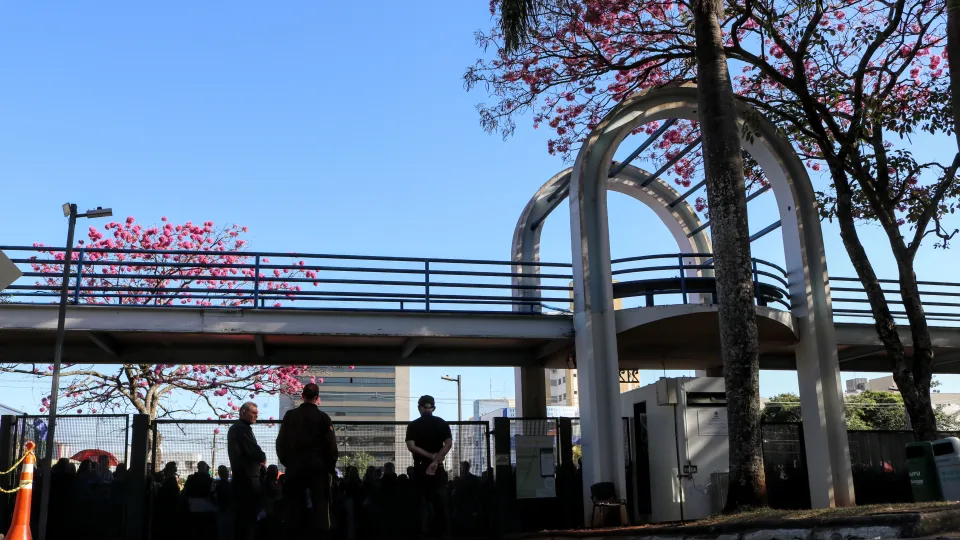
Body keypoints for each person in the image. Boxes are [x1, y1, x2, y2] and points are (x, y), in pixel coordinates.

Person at [276, 382, 339, 538]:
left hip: (295, 467)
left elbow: (280, 442)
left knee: (294, 505)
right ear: (317, 398)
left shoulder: (290, 416)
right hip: (318, 469)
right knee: (320, 506)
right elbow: (331, 446)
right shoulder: (323, 418)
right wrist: (329, 467)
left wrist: (288, 462)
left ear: (302, 396)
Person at [405, 395, 453, 540]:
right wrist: (436, 460)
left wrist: (429, 456)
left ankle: (422, 533)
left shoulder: (413, 425)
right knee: (440, 503)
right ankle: (441, 533)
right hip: (437, 468)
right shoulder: (441, 423)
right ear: (433, 408)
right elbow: (448, 444)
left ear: (419, 407)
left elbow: (411, 446)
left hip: (420, 468)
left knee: (420, 503)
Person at [228, 401, 267, 540]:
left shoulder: (237, 428)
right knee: (248, 520)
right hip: (248, 480)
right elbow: (254, 451)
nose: (256, 416)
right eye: (253, 413)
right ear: (243, 412)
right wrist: (263, 457)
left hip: (243, 478)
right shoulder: (242, 429)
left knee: (242, 520)